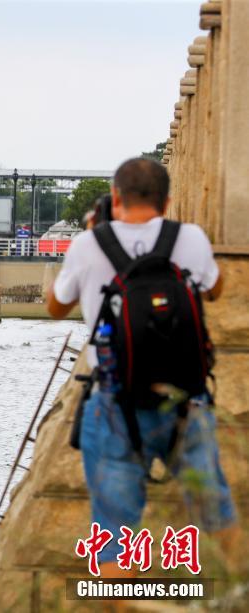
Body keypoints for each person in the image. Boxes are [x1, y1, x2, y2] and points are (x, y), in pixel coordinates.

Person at [46, 158, 240, 580]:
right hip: (186, 400)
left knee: (115, 535)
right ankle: (237, 591)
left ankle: (121, 602)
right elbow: (215, 290)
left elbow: (56, 306)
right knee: (215, 508)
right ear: (167, 201)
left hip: (116, 401)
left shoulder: (88, 245)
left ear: (115, 198)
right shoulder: (189, 238)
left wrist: (89, 240)